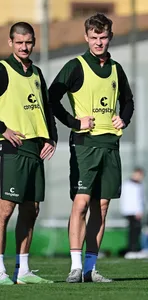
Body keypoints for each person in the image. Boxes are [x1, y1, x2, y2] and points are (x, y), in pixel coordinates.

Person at [0, 22, 57, 285]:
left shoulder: (37, 73)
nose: (24, 47)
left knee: (32, 209)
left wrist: (51, 137)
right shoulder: (0, 70)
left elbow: (45, 109)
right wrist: (2, 128)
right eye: (19, 42)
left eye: (28, 42)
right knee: (4, 209)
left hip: (35, 150)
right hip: (12, 149)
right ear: (10, 43)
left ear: (34, 41)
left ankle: (24, 270)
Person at [48, 13, 134, 283]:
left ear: (110, 37)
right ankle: (75, 267)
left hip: (111, 143)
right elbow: (51, 97)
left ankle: (90, 268)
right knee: (82, 202)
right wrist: (74, 122)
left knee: (103, 206)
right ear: (86, 37)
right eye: (94, 37)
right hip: (86, 143)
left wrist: (125, 117)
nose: (99, 42)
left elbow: (128, 100)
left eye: (103, 37)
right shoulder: (75, 66)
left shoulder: (116, 69)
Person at [120, 167, 145, 258]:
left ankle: (135, 248)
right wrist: (137, 211)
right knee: (133, 230)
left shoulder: (139, 185)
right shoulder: (127, 185)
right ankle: (132, 249)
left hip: (136, 212)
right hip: (131, 211)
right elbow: (131, 200)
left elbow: (141, 199)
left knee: (137, 230)